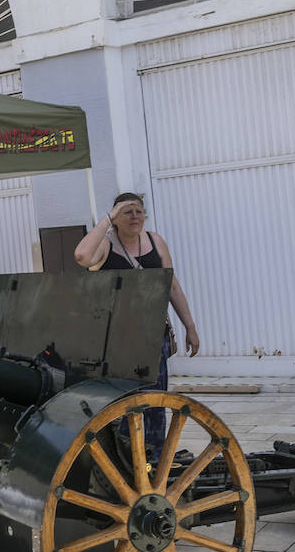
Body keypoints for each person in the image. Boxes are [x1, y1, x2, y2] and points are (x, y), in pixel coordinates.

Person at [74, 192, 200, 449]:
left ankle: (154, 458)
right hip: (118, 338)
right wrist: (107, 219)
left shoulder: (155, 241)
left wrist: (190, 326)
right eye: (126, 212)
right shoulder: (106, 244)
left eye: (138, 211)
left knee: (156, 399)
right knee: (125, 401)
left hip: (154, 334)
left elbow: (172, 287)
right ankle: (125, 455)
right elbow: (82, 257)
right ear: (115, 217)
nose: (134, 217)